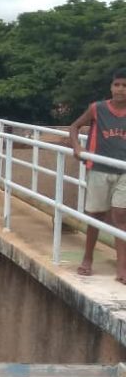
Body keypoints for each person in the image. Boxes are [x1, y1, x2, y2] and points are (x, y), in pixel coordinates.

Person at [70, 69, 126, 280]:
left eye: (125, 86)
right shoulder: (97, 108)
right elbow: (74, 127)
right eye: (117, 85)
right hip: (99, 169)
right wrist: (77, 148)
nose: (121, 89)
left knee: (121, 217)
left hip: (124, 172)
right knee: (96, 215)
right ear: (111, 87)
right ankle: (87, 258)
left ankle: (122, 267)